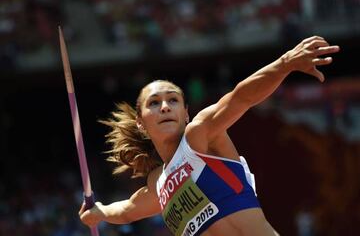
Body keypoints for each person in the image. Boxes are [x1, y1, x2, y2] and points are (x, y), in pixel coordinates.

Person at [78, 36, 340, 236]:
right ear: (141, 124)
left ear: (186, 114)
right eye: (154, 103)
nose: (165, 106)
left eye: (173, 100)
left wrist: (285, 64)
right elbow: (127, 211)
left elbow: (241, 97)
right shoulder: (159, 183)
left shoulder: (199, 136)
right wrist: (98, 213)